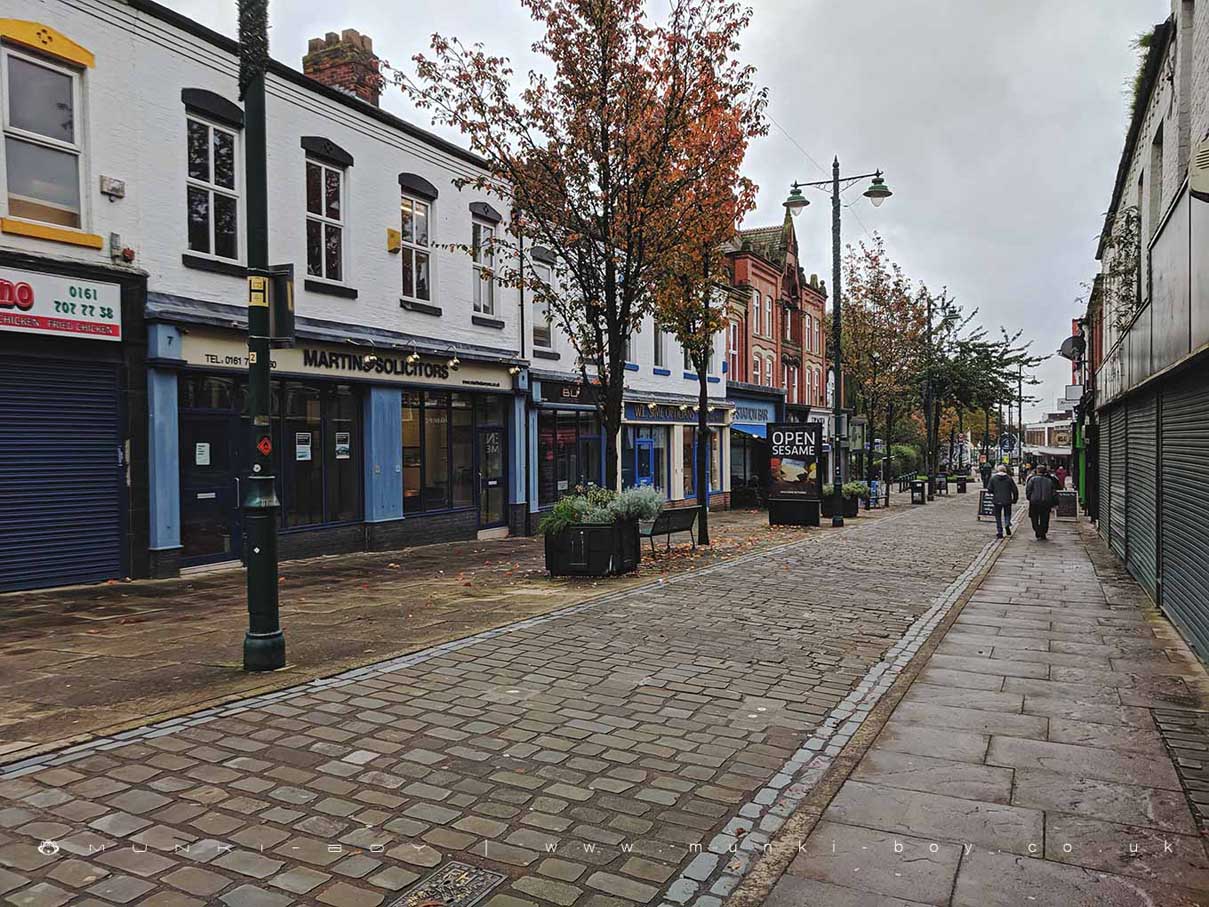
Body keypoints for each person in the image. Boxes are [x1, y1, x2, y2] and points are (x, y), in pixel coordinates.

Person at [1025, 463, 1059, 540]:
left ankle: (1037, 531)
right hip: (1046, 502)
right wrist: (1055, 502)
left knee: (1034, 518)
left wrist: (1030, 498)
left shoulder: (1032, 479)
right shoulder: (1049, 481)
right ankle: (1043, 532)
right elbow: (1053, 492)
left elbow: (1028, 490)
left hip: (1034, 502)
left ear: (1037, 471)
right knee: (1045, 518)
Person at [987, 464, 1018, 539]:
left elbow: (989, 489)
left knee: (998, 516)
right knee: (1007, 514)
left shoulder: (993, 478)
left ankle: (999, 532)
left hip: (997, 500)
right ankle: (1007, 524)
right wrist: (1015, 499)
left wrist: (994, 492)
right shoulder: (1009, 478)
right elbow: (1015, 490)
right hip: (1007, 500)